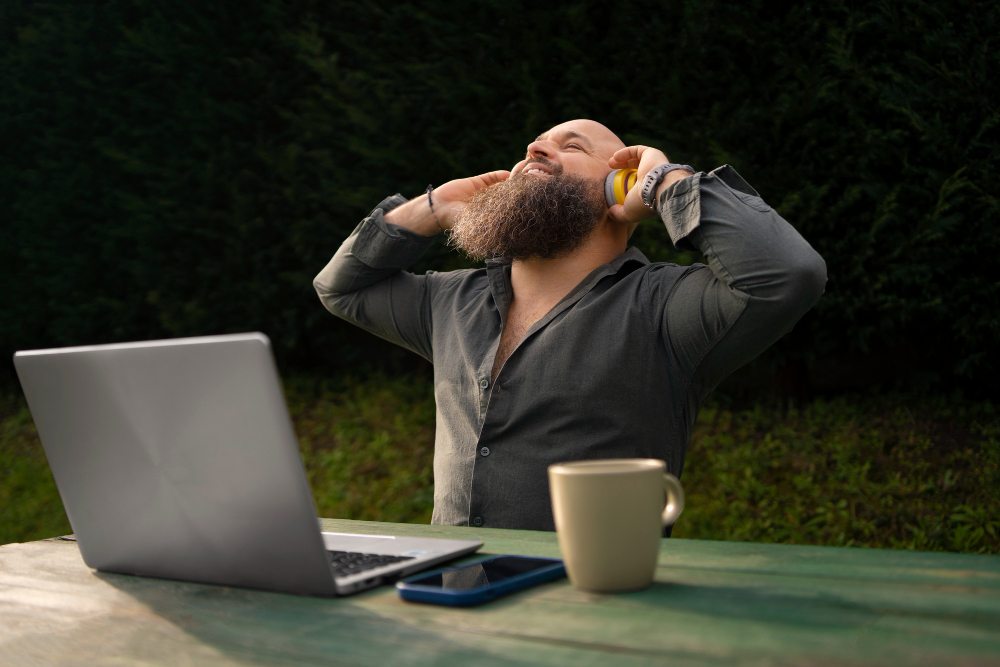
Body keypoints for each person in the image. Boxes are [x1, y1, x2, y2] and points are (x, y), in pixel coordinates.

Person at [314, 119, 827, 531]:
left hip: (597, 609)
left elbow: (786, 275)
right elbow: (341, 288)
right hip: (455, 605)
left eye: (572, 145)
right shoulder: (449, 300)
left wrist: (667, 183)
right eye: (533, 146)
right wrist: (433, 207)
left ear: (620, 188)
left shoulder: (666, 308)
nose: (534, 151)